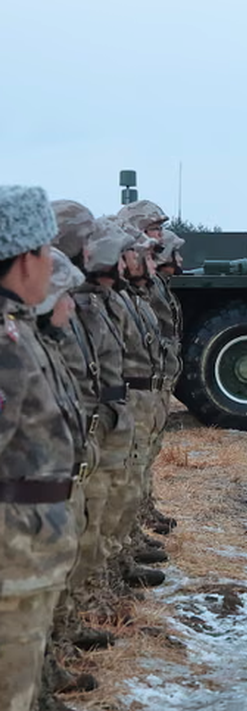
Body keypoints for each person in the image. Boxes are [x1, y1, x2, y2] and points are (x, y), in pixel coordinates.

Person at [0, 186, 80, 711]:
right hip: (14, 554)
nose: (53, 265)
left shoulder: (18, 330)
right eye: (47, 251)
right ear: (25, 255)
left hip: (29, 553)